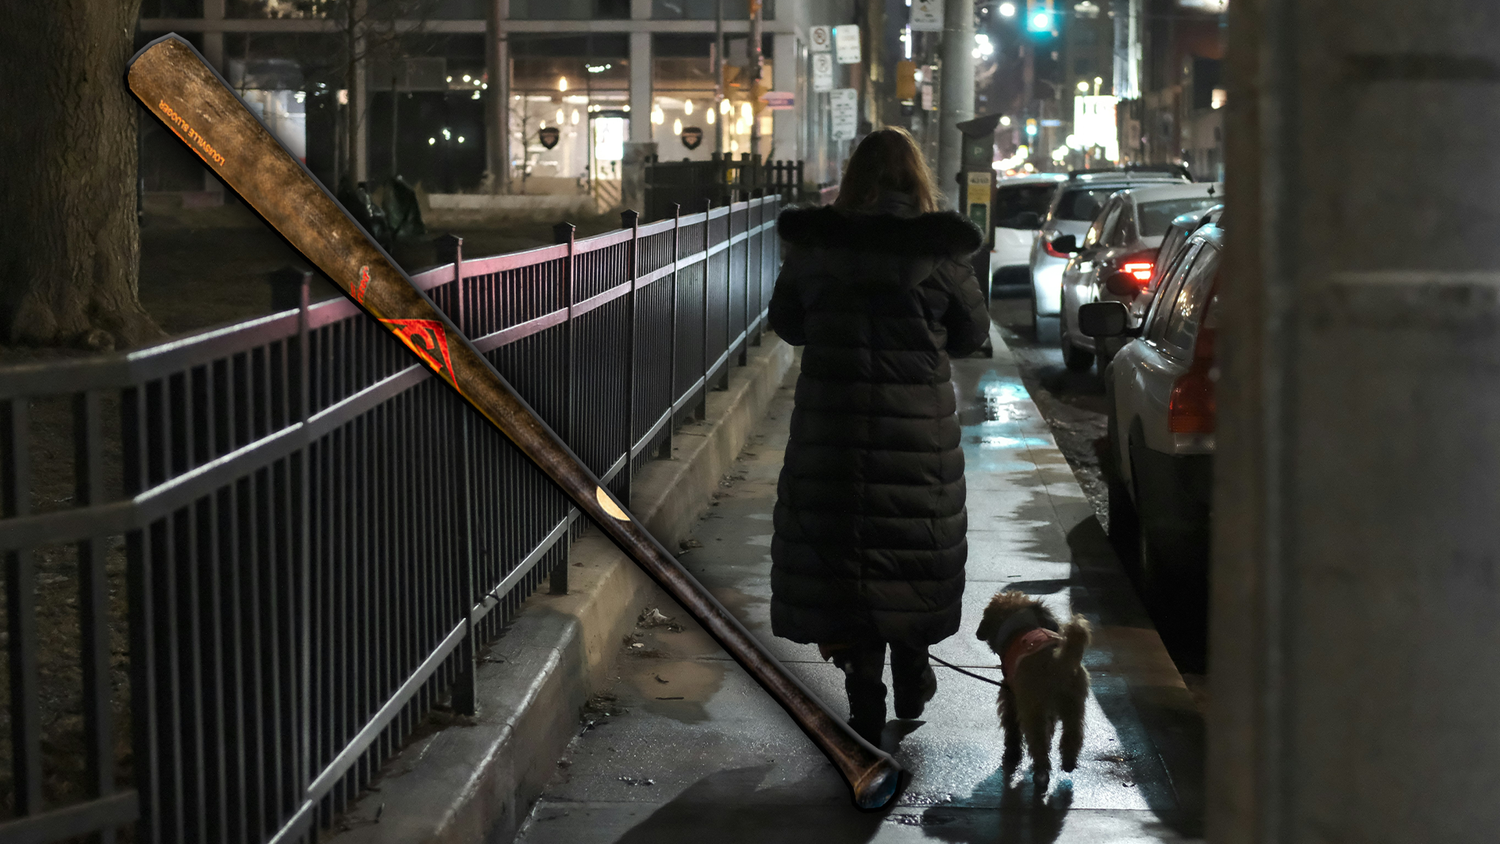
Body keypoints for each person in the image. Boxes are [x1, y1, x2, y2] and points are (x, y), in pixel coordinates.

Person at [767, 127, 990, 745]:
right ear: (917, 177)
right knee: (910, 550)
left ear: (853, 177)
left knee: (846, 560)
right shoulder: (942, 252)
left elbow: (787, 323)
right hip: (917, 438)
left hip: (831, 432)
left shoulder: (815, 247)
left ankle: (862, 691)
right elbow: (972, 333)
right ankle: (913, 673)